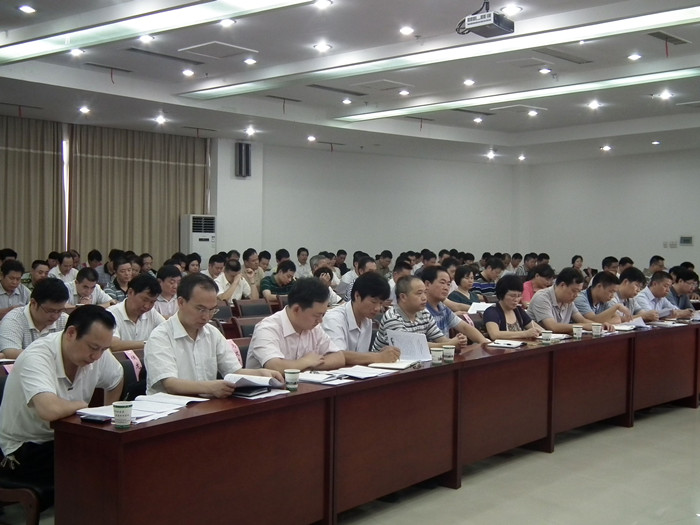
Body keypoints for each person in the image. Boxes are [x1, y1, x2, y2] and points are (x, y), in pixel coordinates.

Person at [0, 305, 123, 487]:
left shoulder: (97, 352)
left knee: (118, 454)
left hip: (66, 437)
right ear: (71, 333)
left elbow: (116, 378)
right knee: (95, 463)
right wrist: (82, 406)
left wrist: (107, 414)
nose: (97, 356)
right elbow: (49, 410)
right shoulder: (37, 356)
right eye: (94, 348)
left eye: (103, 350)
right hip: (26, 447)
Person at [145, 274, 280, 396]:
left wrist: (261, 374)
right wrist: (210, 388)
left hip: (205, 407)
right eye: (200, 309)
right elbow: (170, 384)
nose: (206, 316)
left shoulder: (212, 333)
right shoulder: (160, 336)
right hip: (169, 410)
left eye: (212, 310)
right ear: (181, 302)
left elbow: (234, 372)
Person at [246, 278, 346, 372]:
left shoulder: (314, 328)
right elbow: (275, 366)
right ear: (296, 309)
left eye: (323, 315)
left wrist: (307, 365)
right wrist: (305, 362)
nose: (320, 321)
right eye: (317, 315)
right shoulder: (267, 328)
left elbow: (339, 357)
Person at [372, 275, 470, 352]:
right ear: (403, 297)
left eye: (425, 292)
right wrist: (449, 345)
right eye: (419, 293)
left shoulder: (424, 313)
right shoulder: (392, 317)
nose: (424, 298)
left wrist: (457, 342)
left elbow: (439, 338)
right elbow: (411, 347)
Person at [321, 272, 400, 364]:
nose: (378, 308)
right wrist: (378, 357)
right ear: (357, 296)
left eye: (381, 303)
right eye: (374, 302)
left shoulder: (367, 320)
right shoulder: (333, 319)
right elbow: (337, 356)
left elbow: (361, 357)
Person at [0, 278, 70, 359]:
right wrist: (54, 356)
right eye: (50, 310)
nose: (55, 316)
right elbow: (10, 352)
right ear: (33, 303)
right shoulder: (14, 319)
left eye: (60, 310)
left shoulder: (64, 320)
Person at [527, 267, 608, 334]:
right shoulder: (542, 298)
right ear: (562, 285)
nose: (576, 295)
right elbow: (552, 326)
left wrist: (600, 325)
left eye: (579, 291)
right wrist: (582, 326)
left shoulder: (568, 301)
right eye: (574, 291)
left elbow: (582, 320)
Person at [422, 266, 490, 344]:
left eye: (448, 284)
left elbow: (464, 327)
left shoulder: (442, 307)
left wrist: (484, 342)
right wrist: (451, 343)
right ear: (427, 284)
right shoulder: (420, 309)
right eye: (442, 283)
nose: (446, 288)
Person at [108, 274, 165, 351]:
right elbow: (114, 345)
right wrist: (150, 343)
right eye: (144, 300)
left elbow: (169, 332)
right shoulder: (111, 314)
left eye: (152, 302)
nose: (147, 306)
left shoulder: (151, 313)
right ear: (130, 292)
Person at [483, 275, 543, 340]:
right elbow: (494, 335)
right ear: (502, 294)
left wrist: (540, 332)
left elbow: (539, 329)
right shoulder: (492, 312)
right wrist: (525, 333)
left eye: (519, 296)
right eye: (512, 296)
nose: (516, 299)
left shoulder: (518, 311)